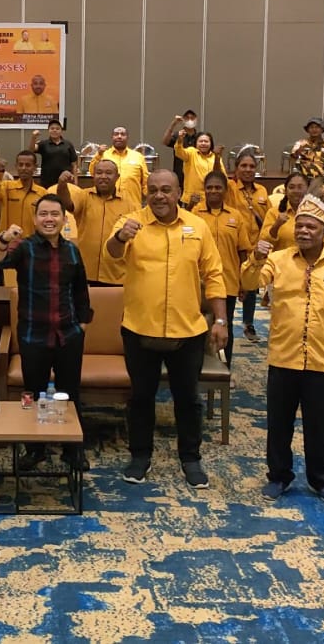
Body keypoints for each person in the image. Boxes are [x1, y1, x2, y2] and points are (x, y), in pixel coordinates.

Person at [106, 170, 229, 488]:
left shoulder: (197, 227)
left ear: (178, 193)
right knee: (141, 397)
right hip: (139, 328)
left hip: (187, 331)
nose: (159, 195)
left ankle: (191, 458)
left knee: (188, 399)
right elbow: (112, 254)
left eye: (165, 190)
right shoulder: (131, 222)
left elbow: (214, 274)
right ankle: (140, 456)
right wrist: (120, 238)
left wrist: (220, 320)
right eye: (153, 190)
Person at [240, 189, 324, 503]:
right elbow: (249, 284)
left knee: (319, 426)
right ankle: (278, 477)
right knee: (279, 424)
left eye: (311, 226)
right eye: (300, 225)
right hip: (283, 357)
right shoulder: (278, 260)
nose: (304, 231)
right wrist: (255, 259)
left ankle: (321, 480)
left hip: (323, 361)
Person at [0, 195, 93, 469]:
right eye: (43, 214)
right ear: (35, 219)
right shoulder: (25, 248)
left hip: (68, 335)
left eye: (54, 214)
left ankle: (73, 450)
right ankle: (35, 449)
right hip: (33, 335)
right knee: (33, 394)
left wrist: (82, 324)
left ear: (64, 219)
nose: (49, 219)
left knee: (70, 393)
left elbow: (81, 290)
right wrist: (4, 239)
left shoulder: (72, 250)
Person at [198, 171, 253, 373]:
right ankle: (196, 369)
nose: (213, 191)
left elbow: (243, 251)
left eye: (218, 187)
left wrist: (243, 282)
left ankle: (224, 369)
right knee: (198, 329)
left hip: (227, 283)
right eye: (209, 187)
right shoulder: (194, 214)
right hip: (198, 283)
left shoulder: (236, 216)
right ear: (204, 190)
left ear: (225, 191)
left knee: (224, 326)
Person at [59, 160, 139, 288]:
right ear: (93, 176)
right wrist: (62, 185)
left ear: (117, 177)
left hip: (116, 275)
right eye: (99, 173)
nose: (103, 176)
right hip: (86, 273)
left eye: (108, 173)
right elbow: (67, 204)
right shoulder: (83, 196)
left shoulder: (129, 202)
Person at [226, 148, 271, 342]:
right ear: (236, 168)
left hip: (254, 246)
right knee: (230, 283)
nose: (248, 169)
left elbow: (268, 217)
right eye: (243, 166)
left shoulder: (262, 191)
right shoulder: (230, 188)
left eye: (252, 166)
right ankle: (225, 322)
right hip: (234, 245)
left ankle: (248, 323)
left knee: (251, 285)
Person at [164, 117, 223, 206]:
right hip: (192, 199)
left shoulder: (215, 157)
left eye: (206, 141)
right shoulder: (191, 152)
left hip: (211, 197)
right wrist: (180, 140)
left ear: (211, 144)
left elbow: (220, 176)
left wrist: (217, 157)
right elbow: (179, 151)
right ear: (196, 143)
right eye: (201, 141)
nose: (203, 143)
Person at [0, 151, 56, 237]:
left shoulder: (42, 193)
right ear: (16, 166)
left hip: (32, 242)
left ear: (35, 167)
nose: (24, 168)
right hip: (8, 241)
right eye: (20, 165)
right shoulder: (6, 187)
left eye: (28, 165)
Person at [90, 126, 149, 206]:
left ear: (127, 137)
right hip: (107, 205)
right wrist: (98, 155)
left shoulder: (138, 156)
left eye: (123, 134)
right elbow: (92, 173)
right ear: (112, 137)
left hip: (133, 204)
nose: (119, 136)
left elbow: (146, 182)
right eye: (116, 134)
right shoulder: (103, 155)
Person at [258, 172, 312, 254]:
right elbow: (263, 244)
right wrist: (276, 226)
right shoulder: (274, 212)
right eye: (291, 187)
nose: (296, 191)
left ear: (308, 190)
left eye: (300, 187)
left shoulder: (316, 213)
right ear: (286, 191)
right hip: (280, 260)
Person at [31, 120, 79, 185]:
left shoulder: (68, 144)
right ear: (48, 130)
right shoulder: (43, 143)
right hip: (47, 181)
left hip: (65, 181)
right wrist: (33, 137)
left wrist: (75, 181)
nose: (55, 130)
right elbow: (31, 150)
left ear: (61, 131)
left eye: (57, 129)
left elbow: (74, 165)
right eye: (52, 128)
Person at [163, 109, 201, 177]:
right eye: (187, 118)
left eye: (192, 118)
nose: (190, 120)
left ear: (196, 120)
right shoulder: (178, 135)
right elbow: (165, 142)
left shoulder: (200, 137)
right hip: (179, 173)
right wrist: (173, 124)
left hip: (195, 174)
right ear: (183, 120)